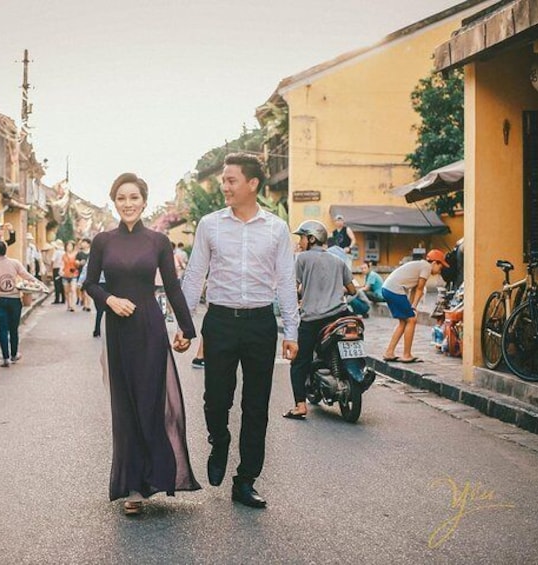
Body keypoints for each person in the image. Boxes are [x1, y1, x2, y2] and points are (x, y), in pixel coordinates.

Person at [180, 152, 300, 509]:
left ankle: (246, 479)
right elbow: (194, 274)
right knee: (216, 398)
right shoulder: (210, 225)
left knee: (256, 406)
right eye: (223, 181)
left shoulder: (277, 229)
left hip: (261, 323)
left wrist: (291, 332)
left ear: (252, 184)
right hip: (219, 322)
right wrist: (186, 326)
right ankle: (219, 439)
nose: (224, 187)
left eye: (231, 180)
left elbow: (285, 281)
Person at [83, 172, 200, 516]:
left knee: (150, 402)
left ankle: (156, 477)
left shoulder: (158, 241)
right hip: (118, 331)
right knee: (125, 405)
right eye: (121, 198)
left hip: (150, 328)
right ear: (114, 202)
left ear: (144, 201)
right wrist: (110, 301)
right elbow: (90, 284)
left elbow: (173, 288)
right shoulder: (103, 241)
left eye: (134, 198)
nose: (128, 204)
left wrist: (188, 329)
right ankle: (133, 486)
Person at [284, 220, 357, 419]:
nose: (300, 241)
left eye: (301, 237)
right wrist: (332, 290)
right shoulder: (338, 260)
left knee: (299, 362)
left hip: (313, 319)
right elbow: (352, 290)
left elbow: (293, 287)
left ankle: (300, 405)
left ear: (311, 238)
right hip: (340, 316)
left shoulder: (302, 259)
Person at [0, 240, 42, 367]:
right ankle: (14, 355)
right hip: (14, 300)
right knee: (14, 329)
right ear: (6, 249)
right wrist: (39, 283)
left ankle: (5, 358)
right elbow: (26, 275)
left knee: (2, 329)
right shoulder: (15, 263)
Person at [381, 249, 448, 363]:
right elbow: (419, 289)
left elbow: (414, 289)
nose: (439, 271)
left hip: (387, 288)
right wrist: (413, 308)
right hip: (395, 289)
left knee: (404, 321)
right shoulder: (426, 267)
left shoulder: (420, 265)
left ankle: (389, 352)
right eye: (440, 267)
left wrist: (412, 306)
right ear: (434, 262)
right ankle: (406, 355)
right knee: (411, 320)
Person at [61, 240, 80, 312]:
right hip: (65, 274)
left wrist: (77, 263)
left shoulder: (76, 255)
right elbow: (62, 264)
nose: (69, 247)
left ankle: (73, 305)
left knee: (73, 290)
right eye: (68, 246)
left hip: (74, 274)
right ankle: (68, 305)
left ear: (73, 247)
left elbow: (78, 264)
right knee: (66, 291)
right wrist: (61, 271)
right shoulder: (64, 255)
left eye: (70, 246)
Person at [76, 238, 92, 311]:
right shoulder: (79, 253)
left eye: (84, 242)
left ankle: (87, 305)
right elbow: (76, 262)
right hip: (81, 273)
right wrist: (79, 263)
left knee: (87, 289)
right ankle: (82, 300)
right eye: (82, 243)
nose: (83, 244)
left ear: (88, 244)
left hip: (90, 273)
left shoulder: (92, 253)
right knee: (82, 289)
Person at [51, 239, 65, 304]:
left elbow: (53, 260)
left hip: (56, 269)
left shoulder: (56, 252)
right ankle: (63, 299)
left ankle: (57, 299)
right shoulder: (64, 252)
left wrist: (51, 267)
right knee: (62, 284)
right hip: (63, 269)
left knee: (57, 284)